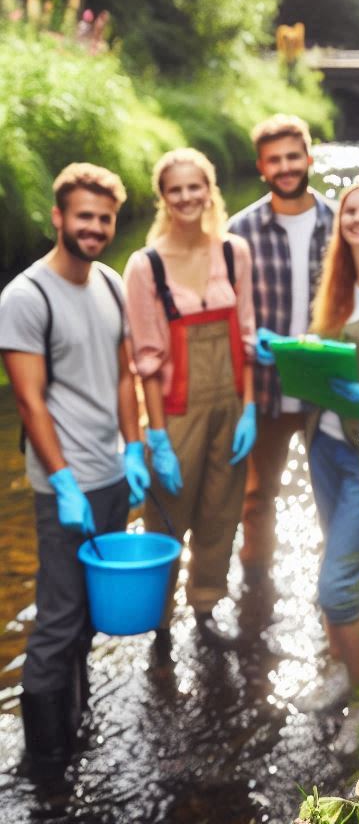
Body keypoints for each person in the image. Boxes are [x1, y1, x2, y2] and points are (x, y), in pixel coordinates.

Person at [0, 163, 151, 772]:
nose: (94, 227)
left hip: (111, 475)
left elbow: (122, 375)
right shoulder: (24, 297)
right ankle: (44, 768)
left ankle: (76, 726)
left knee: (88, 615)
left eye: (104, 218)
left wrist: (135, 447)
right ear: (59, 217)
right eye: (83, 216)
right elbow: (30, 400)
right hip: (65, 486)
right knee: (59, 619)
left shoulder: (111, 283)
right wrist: (61, 481)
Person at [261, 181, 359, 729]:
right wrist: (293, 352)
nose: (358, 219)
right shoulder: (338, 284)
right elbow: (328, 350)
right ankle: (340, 669)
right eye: (350, 212)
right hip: (325, 446)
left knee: (336, 581)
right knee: (331, 566)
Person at [123, 148, 257, 646]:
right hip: (175, 412)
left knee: (220, 514)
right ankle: (159, 627)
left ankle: (205, 608)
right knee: (166, 521)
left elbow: (246, 337)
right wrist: (156, 437)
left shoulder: (233, 252)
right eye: (175, 189)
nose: (186, 197)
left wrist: (250, 411)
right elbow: (146, 362)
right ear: (163, 197)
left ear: (209, 190)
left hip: (231, 406)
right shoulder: (144, 266)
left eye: (194, 187)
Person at [227, 115, 335, 582]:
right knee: (256, 495)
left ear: (309, 158)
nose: (286, 167)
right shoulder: (240, 230)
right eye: (275, 160)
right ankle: (257, 583)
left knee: (331, 492)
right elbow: (228, 312)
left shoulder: (339, 222)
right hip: (265, 388)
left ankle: (332, 592)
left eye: (294, 156)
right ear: (262, 168)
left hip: (324, 385)